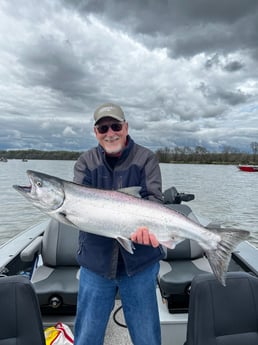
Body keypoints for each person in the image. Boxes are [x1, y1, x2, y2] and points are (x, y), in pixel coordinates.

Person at [73, 103, 165, 345]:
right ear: (95, 132)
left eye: (115, 126)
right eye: (103, 128)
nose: (110, 132)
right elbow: (79, 209)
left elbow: (154, 199)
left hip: (140, 264)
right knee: (86, 338)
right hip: (96, 264)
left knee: (147, 339)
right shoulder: (85, 162)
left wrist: (150, 230)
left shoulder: (146, 159)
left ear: (126, 127)